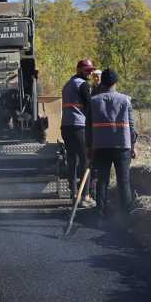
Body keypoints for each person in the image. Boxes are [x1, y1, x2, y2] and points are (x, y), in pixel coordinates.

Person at [86, 69, 137, 219]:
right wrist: (133, 146)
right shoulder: (126, 100)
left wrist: (89, 148)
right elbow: (132, 126)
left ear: (102, 82)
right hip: (122, 147)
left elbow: (88, 128)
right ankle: (126, 217)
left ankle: (100, 215)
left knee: (102, 181)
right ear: (115, 82)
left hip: (100, 147)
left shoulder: (94, 101)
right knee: (124, 181)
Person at [61, 59, 97, 208]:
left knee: (72, 159)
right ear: (79, 69)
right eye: (87, 70)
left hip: (66, 126)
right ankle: (85, 196)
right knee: (85, 160)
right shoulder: (83, 85)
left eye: (90, 70)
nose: (89, 72)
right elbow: (90, 106)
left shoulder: (67, 84)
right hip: (79, 126)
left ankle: (74, 193)